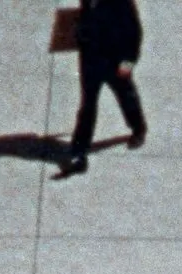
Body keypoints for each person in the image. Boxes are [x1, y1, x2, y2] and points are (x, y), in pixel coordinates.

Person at [61, 0, 147, 176]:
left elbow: (134, 31)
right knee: (87, 106)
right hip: (90, 61)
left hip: (114, 62)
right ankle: (79, 153)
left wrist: (128, 62)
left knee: (125, 96)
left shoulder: (122, 3)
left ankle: (138, 127)